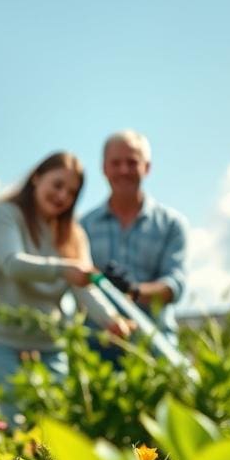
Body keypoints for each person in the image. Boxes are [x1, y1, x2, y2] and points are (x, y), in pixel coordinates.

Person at [0, 151, 130, 423]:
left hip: (49, 348)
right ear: (37, 178)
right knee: (9, 427)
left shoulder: (73, 234)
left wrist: (111, 320)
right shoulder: (3, 215)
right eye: (57, 185)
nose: (62, 197)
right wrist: (63, 268)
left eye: (71, 193)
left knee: (51, 433)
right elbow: (13, 264)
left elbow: (85, 287)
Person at [81, 130, 187, 343]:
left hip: (155, 342)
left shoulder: (171, 224)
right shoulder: (83, 227)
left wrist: (135, 290)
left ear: (146, 167)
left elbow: (174, 286)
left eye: (132, 162)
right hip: (96, 343)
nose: (124, 170)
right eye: (116, 163)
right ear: (104, 168)